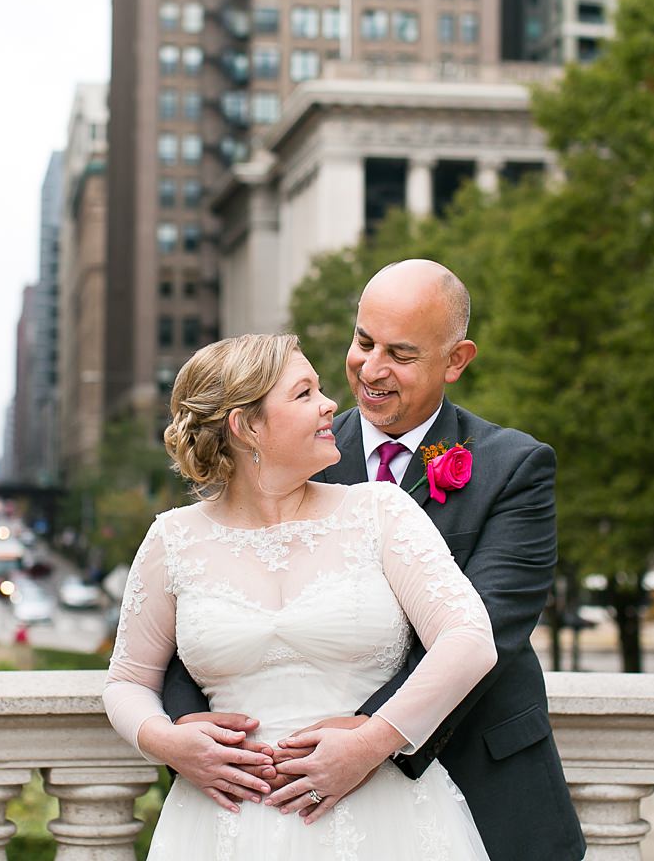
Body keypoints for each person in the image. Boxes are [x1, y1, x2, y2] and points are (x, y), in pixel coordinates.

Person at [161, 260, 585, 861]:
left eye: (402, 354)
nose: (371, 370)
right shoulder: (292, 452)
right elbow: (205, 600)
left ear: (456, 360)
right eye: (363, 342)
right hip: (288, 800)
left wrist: (363, 742)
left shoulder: (514, 468)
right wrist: (187, 728)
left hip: (482, 782)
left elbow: (487, 630)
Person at [104, 333, 498, 858]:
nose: (331, 403)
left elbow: (470, 639)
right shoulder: (173, 540)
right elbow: (127, 681)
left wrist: (370, 743)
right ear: (246, 427)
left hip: (382, 820)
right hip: (223, 827)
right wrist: (167, 742)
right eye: (304, 393)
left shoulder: (380, 512)